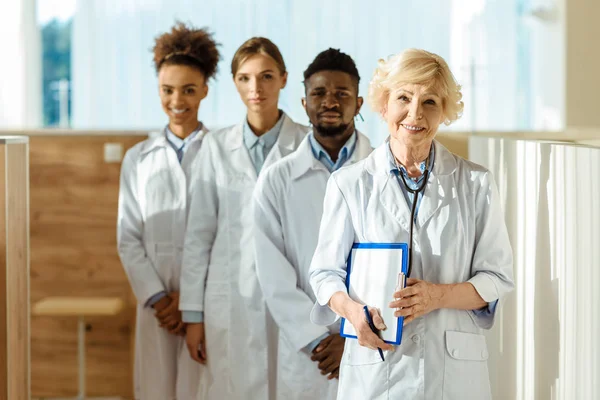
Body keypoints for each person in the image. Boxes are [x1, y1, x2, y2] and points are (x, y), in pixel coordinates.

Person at [308, 49, 515, 400]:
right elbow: (324, 274)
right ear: (384, 104)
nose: (415, 113)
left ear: (445, 111)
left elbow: (497, 278)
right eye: (404, 97)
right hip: (376, 371)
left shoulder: (476, 184)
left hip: (451, 372)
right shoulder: (349, 184)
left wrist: (437, 296)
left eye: (430, 101)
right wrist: (352, 312)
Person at [179, 37, 309, 400]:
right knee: (233, 387)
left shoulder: (306, 145)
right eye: (245, 78)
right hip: (230, 299)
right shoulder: (215, 147)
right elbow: (199, 235)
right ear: (235, 82)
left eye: (267, 76)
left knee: (290, 386)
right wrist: (193, 315)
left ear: (284, 79)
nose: (256, 88)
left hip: (293, 295)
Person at [252, 48, 371, 399]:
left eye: (342, 94)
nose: (330, 101)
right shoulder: (276, 179)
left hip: (369, 343)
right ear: (304, 103)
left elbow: (394, 262)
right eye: (319, 93)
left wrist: (352, 338)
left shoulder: (384, 172)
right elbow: (273, 275)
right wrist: (320, 338)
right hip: (309, 352)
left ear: (359, 103)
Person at [117, 23, 220, 400]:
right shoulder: (138, 159)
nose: (178, 99)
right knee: (155, 389)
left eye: (189, 90)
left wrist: (192, 301)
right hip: (156, 307)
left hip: (207, 303)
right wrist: (162, 300)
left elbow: (223, 234)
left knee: (202, 389)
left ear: (205, 91)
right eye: (168, 90)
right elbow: (128, 238)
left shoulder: (221, 153)